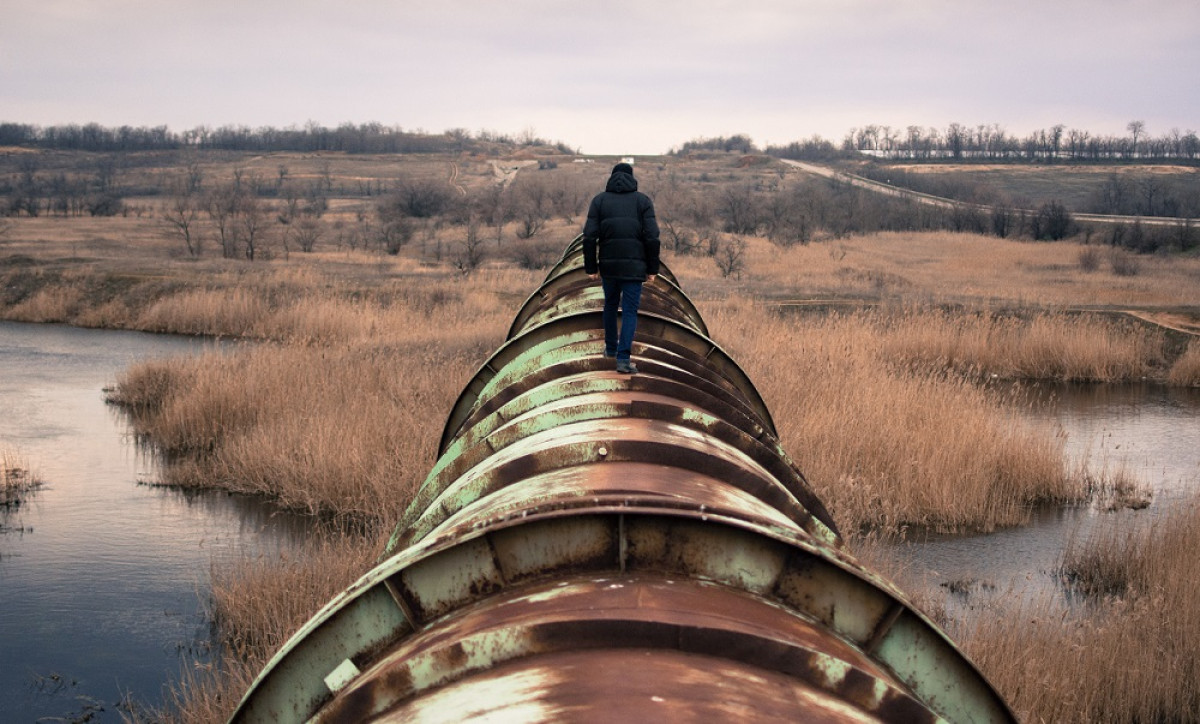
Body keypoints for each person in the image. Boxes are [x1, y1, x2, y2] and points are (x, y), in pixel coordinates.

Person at [582, 162, 661, 374]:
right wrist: (653, 269)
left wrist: (591, 267)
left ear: (611, 177)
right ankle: (623, 360)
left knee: (610, 305)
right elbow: (652, 237)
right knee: (629, 311)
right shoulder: (643, 201)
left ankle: (610, 349)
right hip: (635, 267)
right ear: (632, 178)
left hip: (608, 265)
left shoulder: (599, 201)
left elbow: (589, 237)